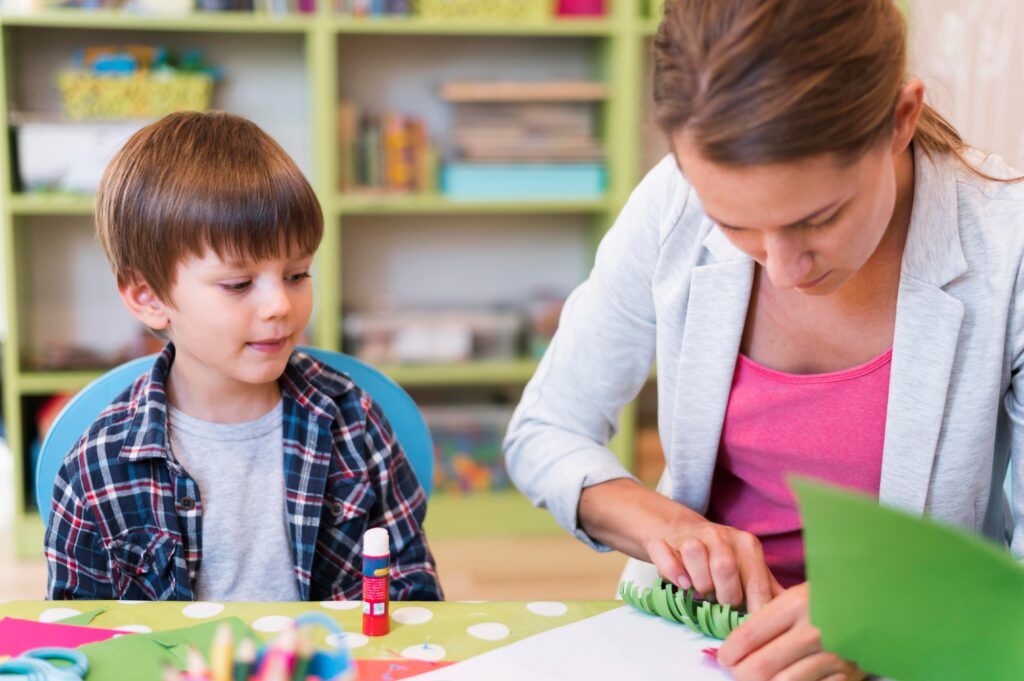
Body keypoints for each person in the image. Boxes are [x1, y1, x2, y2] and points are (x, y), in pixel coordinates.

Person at [505, 1, 1024, 678]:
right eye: (736, 223)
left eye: (819, 218)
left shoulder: (1006, 249)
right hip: (701, 645)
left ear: (898, 122)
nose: (781, 269)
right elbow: (545, 428)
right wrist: (666, 525)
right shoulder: (673, 207)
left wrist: (894, 612)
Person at [45, 111, 442, 602]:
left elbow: (413, 593)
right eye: (238, 284)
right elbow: (76, 635)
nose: (279, 305)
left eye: (297, 275)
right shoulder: (98, 465)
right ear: (149, 298)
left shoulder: (351, 421)